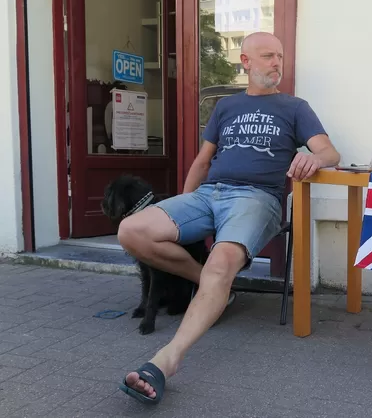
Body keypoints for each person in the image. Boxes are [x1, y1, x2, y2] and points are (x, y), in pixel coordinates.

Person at [117, 32, 340, 405]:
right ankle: (215, 288)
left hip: (257, 199)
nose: (277, 63)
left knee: (221, 263)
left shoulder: (295, 107)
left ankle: (164, 362)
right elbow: (203, 162)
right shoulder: (226, 107)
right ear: (246, 61)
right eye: (268, 56)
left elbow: (330, 151)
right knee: (131, 230)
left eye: (280, 57)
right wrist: (185, 201)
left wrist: (315, 158)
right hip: (208, 194)